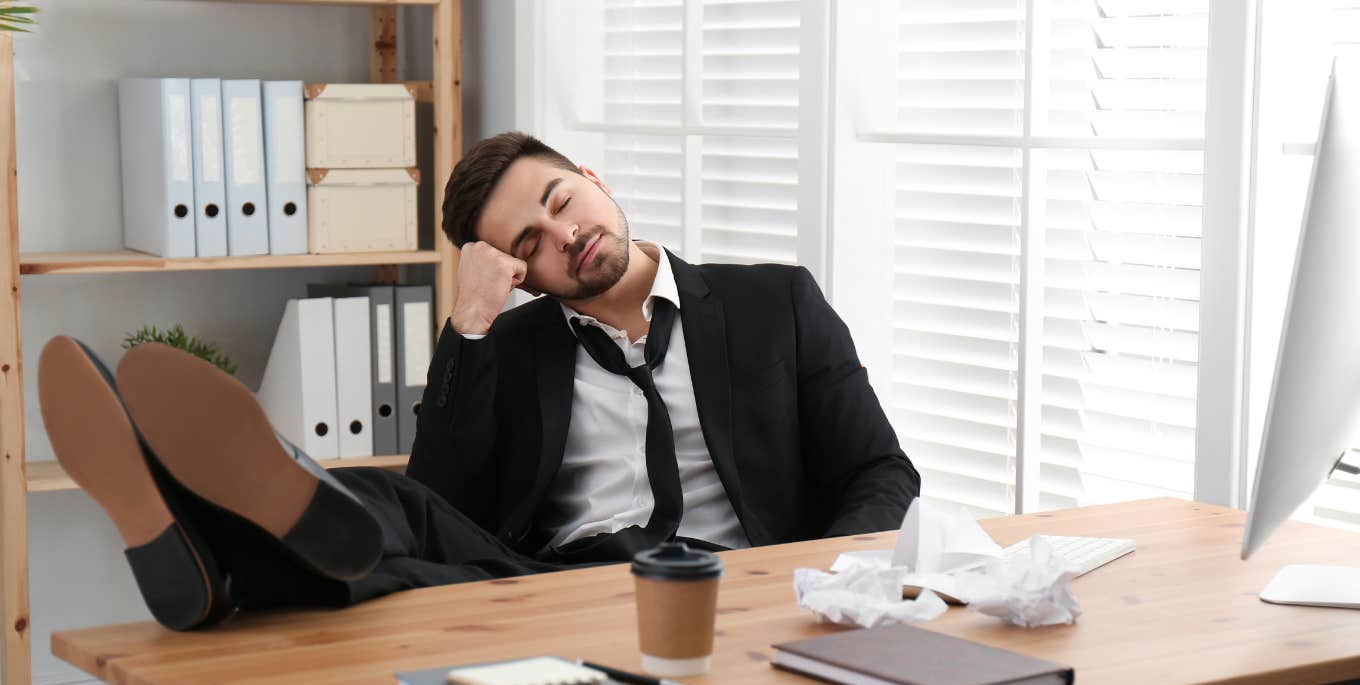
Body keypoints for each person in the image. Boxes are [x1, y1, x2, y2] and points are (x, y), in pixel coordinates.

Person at [38, 132, 919, 631]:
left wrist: (820, 579)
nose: (558, 233)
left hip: (729, 584)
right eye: (527, 242)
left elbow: (881, 471)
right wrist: (467, 328)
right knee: (399, 518)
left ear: (592, 179)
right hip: (559, 583)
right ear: (520, 275)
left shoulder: (775, 302)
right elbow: (440, 499)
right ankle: (203, 533)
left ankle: (219, 567)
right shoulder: (509, 343)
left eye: (558, 201)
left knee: (395, 579)